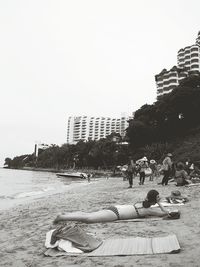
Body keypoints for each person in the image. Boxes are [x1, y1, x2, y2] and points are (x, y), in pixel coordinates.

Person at [53, 190, 178, 224]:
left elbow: (155, 207)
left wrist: (157, 201)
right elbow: (164, 213)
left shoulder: (143, 203)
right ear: (154, 199)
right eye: (158, 197)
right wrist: (160, 205)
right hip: (115, 214)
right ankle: (61, 217)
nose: (160, 198)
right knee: (88, 219)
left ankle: (65, 215)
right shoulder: (148, 209)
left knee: (88, 215)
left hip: (115, 209)